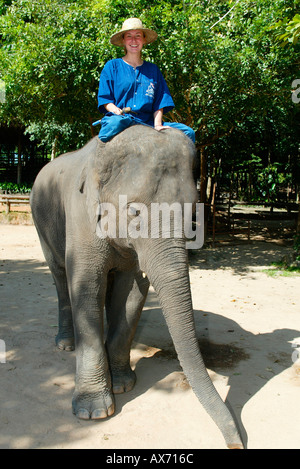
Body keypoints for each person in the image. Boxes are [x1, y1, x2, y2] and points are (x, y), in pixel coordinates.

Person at [97, 18, 195, 143]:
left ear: (143, 39)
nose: (134, 40)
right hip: (121, 119)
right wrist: (115, 110)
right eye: (129, 36)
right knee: (113, 126)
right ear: (123, 40)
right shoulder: (112, 66)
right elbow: (105, 100)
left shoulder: (153, 70)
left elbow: (160, 102)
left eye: (138, 36)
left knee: (188, 133)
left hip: (147, 122)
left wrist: (158, 124)